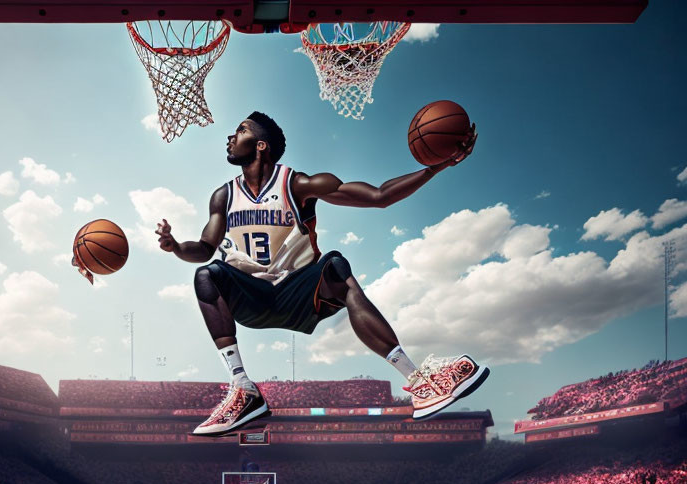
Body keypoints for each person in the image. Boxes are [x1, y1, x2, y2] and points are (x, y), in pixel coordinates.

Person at [144, 112, 487, 435]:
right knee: (207, 273)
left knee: (336, 265)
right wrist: (176, 246)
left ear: (261, 145)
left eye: (242, 130)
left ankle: (421, 384)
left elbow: (379, 196)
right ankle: (243, 389)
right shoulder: (223, 195)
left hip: (299, 292)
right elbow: (204, 248)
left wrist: (436, 167)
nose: (232, 137)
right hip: (249, 296)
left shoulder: (298, 185)